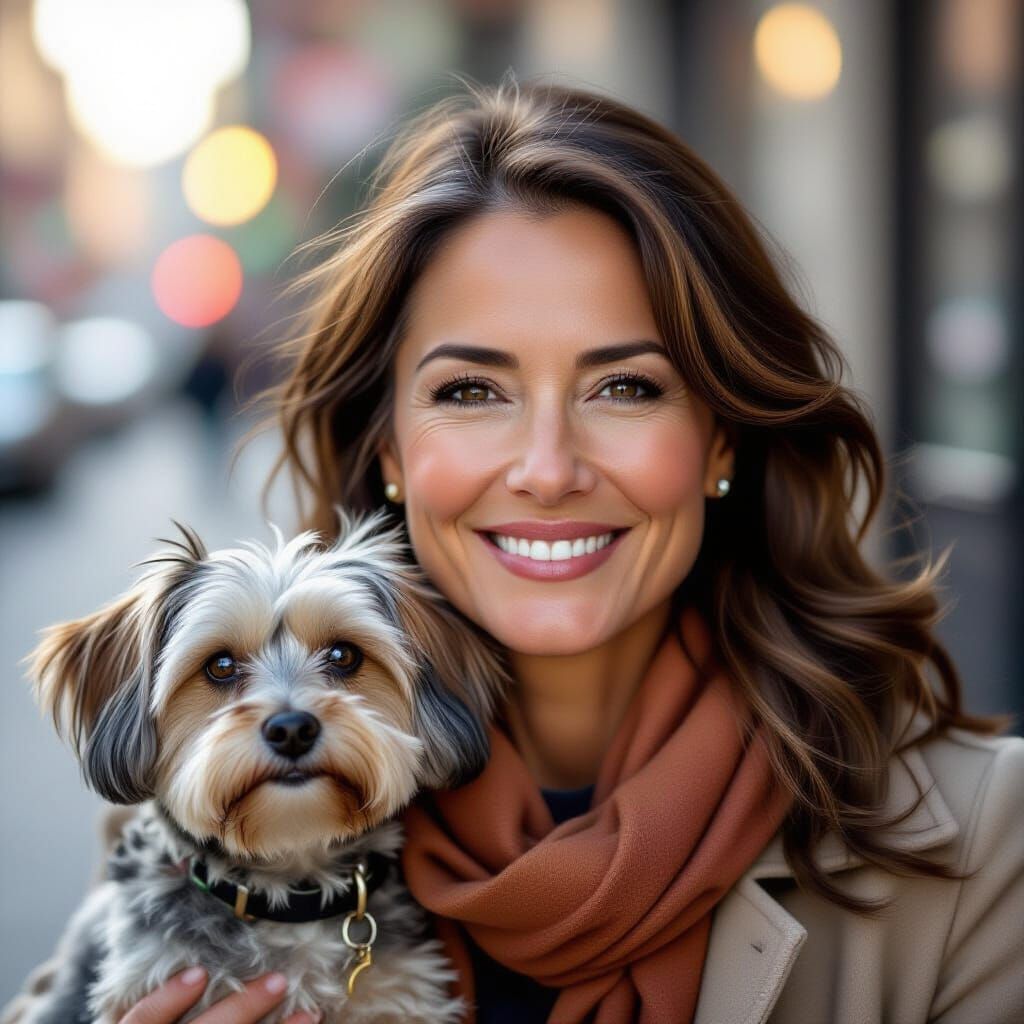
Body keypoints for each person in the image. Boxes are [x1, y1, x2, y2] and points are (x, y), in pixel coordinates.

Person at [6, 72, 1023, 1024]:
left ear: (719, 436)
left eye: (624, 385)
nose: (547, 466)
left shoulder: (982, 844)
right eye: (470, 390)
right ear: (392, 446)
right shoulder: (199, 844)